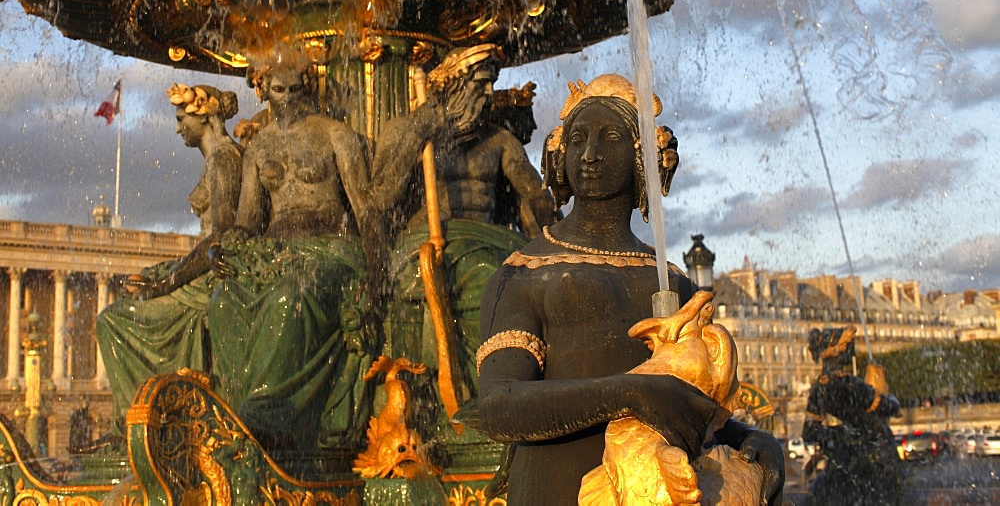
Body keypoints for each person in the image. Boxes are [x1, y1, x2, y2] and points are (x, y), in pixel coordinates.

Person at [475, 74, 785, 505]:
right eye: (579, 138)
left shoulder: (673, 281)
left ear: (642, 154)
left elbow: (693, 408)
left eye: (612, 137)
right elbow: (496, 404)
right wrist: (627, 394)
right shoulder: (525, 272)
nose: (591, 153)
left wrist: (752, 438)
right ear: (559, 153)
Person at [368, 45, 557, 425]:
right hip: (429, 243)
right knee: (494, 279)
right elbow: (380, 200)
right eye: (480, 85)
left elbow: (536, 198)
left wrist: (556, 246)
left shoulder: (500, 142)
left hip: (486, 240)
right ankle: (491, 405)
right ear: (453, 87)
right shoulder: (410, 131)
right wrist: (422, 128)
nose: (489, 96)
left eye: (491, 86)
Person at [204, 46, 380, 452]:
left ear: (309, 87)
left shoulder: (335, 133)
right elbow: (248, 221)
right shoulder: (259, 147)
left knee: (290, 296)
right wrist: (223, 248)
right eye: (278, 90)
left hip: (332, 250)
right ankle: (233, 415)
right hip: (277, 253)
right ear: (264, 91)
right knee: (223, 302)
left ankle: (272, 415)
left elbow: (365, 208)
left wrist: (374, 274)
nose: (286, 99)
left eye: (295, 90)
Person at [96, 83, 242, 429]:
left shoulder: (224, 157)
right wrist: (162, 271)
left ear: (203, 116)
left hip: (215, 280)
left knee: (112, 322)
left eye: (181, 119)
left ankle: (141, 423)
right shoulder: (215, 160)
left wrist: (165, 282)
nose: (178, 128)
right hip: (206, 273)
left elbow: (221, 238)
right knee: (129, 301)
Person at [802, 326, 903, 505]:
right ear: (839, 350)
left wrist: (838, 437)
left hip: (841, 461)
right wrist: (881, 384)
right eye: (850, 346)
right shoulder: (851, 385)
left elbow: (809, 431)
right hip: (871, 455)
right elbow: (891, 408)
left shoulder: (819, 388)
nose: (853, 351)